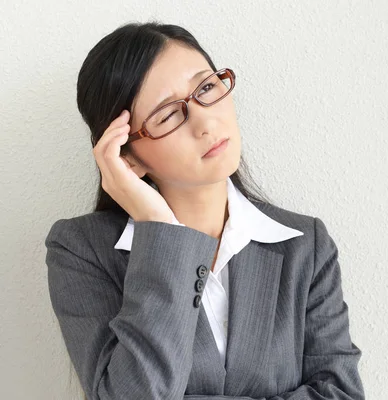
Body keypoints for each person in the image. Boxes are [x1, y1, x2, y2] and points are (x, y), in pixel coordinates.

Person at [44, 21, 365, 400]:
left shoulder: (305, 246)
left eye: (207, 88)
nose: (204, 121)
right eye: (167, 115)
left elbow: (342, 393)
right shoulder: (81, 250)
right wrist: (159, 232)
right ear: (126, 155)